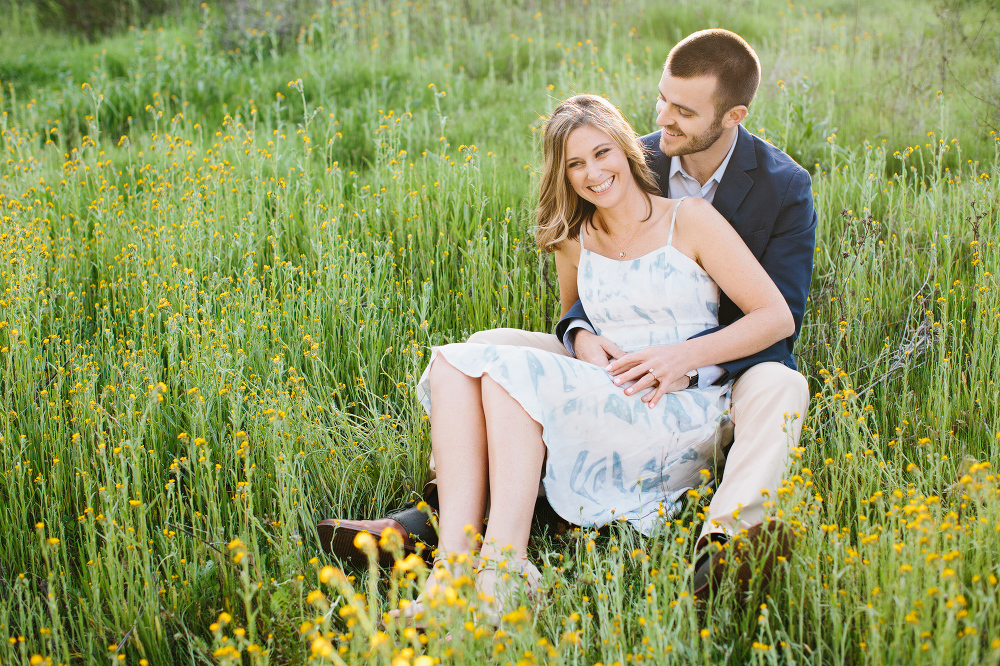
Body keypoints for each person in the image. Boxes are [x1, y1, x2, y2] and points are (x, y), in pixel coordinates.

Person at [319, 28, 814, 602]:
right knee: (479, 350)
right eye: (662, 100)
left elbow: (780, 316)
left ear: (732, 115)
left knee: (782, 384)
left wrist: (688, 361)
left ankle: (728, 545)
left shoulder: (781, 186)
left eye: (683, 110)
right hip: (614, 351)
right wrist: (579, 333)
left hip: (722, 362)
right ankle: (446, 519)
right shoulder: (632, 157)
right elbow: (580, 292)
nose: (663, 118)